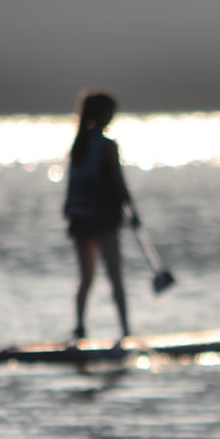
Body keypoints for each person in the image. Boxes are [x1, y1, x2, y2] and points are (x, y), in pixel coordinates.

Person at [63, 89, 136, 342]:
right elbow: (118, 183)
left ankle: (80, 328)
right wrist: (132, 211)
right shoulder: (106, 146)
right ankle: (125, 331)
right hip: (103, 220)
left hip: (81, 219)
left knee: (86, 278)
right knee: (115, 276)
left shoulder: (79, 146)